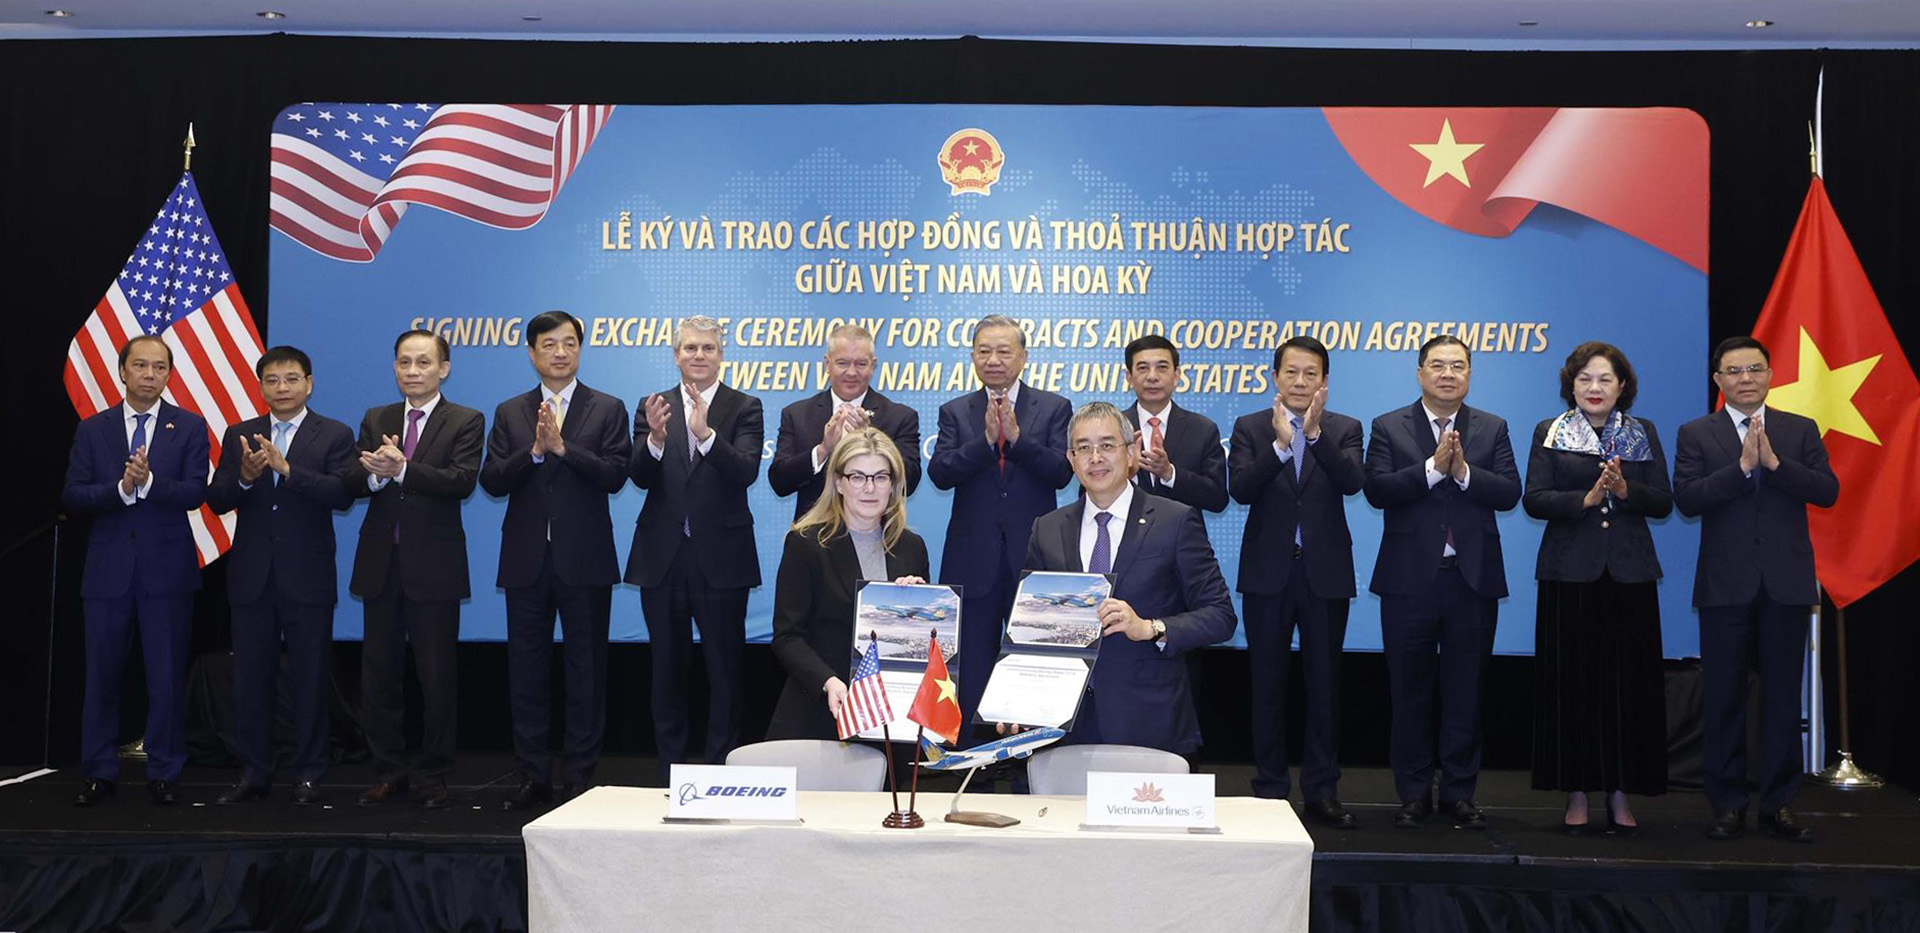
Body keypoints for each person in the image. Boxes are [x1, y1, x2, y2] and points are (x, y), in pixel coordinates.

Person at [1674, 335, 1837, 843]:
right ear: (1718, 380)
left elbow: (1827, 490)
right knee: (1723, 697)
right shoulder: (1696, 433)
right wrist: (1742, 468)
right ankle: (1727, 804)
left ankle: (1778, 804)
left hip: (1785, 583)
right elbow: (1688, 499)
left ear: (1769, 374)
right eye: (1734, 371)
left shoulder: (1799, 428)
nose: (1745, 378)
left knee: (1783, 699)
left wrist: (1776, 465)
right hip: (1725, 584)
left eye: (1754, 369)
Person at [1363, 334, 1521, 830]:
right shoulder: (1388, 425)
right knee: (1408, 692)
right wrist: (1432, 469)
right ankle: (1413, 793)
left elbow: (1509, 492)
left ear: (1469, 374)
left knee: (1465, 692)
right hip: (1409, 582)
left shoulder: (1492, 427)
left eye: (1457, 365)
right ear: (1420, 373)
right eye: (1437, 365)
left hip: (1471, 581)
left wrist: (1465, 472)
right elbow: (1377, 489)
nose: (1447, 373)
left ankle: (1458, 793)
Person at [479, 311, 632, 809]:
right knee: (527, 672)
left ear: (580, 350)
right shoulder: (510, 411)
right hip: (526, 559)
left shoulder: (607, 408)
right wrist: (534, 453)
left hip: (584, 559)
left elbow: (616, 474)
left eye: (569, 343)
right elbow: (492, 479)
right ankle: (534, 775)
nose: (560, 352)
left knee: (587, 671)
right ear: (532, 353)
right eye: (549, 344)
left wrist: (564, 449)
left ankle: (581, 775)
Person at [1020, 402, 1236, 755]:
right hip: (1064, 724)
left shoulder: (1175, 521)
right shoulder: (1047, 528)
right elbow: (1028, 629)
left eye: (1107, 445)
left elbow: (1221, 615)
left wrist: (1150, 628)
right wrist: (1018, 703)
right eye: (1083, 448)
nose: (1095, 458)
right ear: (1071, 459)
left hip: (1148, 720)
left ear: (1132, 452)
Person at [1522, 342, 1671, 835]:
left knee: (1628, 688)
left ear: (1622, 387)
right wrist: (1582, 500)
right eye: (1585, 378)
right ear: (1571, 385)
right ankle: (1577, 792)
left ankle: (1621, 793)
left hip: (1629, 574)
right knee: (1574, 687)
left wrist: (1627, 492)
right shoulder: (1550, 431)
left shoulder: (1641, 432)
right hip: (1569, 573)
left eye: (1605, 379)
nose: (1594, 387)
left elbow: (1663, 501)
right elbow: (1534, 499)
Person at [204, 345, 356, 806]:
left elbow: (342, 494)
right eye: (272, 380)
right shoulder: (240, 434)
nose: (282, 387)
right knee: (251, 679)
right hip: (252, 578)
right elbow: (218, 499)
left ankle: (309, 771)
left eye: (291, 379)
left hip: (307, 577)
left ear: (310, 383)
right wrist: (246, 477)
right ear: (261, 386)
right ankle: (254, 771)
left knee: (309, 678)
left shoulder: (334, 433)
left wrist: (288, 470)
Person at [62, 335, 209, 806]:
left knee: (165, 676)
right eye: (141, 365)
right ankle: (99, 771)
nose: (149, 374)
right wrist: (122, 489)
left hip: (167, 572)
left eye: (159, 367)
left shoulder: (189, 426)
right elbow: (73, 494)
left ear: (169, 374)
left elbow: (195, 492)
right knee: (101, 675)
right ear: (122, 370)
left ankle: (164, 770)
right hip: (107, 572)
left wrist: (150, 482)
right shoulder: (94, 428)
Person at [1228, 336, 1366, 828]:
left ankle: (1322, 790)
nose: (1301, 382)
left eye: (1311, 374)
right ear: (1275, 377)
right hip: (1268, 574)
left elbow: (1353, 482)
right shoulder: (1250, 427)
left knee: (1324, 686)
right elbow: (1240, 488)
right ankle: (1270, 787)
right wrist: (1282, 446)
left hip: (1324, 575)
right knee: (1266, 684)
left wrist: (1314, 437)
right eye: (1292, 372)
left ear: (1324, 382)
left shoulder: (1345, 428)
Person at [348, 329, 485, 809]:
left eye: (423, 362)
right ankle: (388, 770)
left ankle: (433, 773)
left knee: (436, 677)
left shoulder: (465, 420)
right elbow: (352, 480)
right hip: (381, 566)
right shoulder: (377, 418)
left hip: (435, 567)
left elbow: (461, 481)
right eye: (404, 362)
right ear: (394, 367)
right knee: (379, 676)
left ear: (443, 369)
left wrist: (403, 469)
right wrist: (373, 474)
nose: (413, 371)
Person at [625, 315, 764, 775]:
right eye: (690, 348)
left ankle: (721, 768)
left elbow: (745, 471)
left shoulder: (745, 406)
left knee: (725, 670)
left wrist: (706, 435)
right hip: (662, 558)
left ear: (721, 355)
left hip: (722, 559)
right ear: (676, 354)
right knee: (667, 669)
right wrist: (656, 440)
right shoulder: (653, 406)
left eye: (707, 348)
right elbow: (638, 475)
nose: (698, 355)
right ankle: (672, 770)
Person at [928, 314, 1073, 733]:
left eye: (1004, 351)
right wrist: (987, 443)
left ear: (1023, 357)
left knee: (1034, 661)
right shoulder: (956, 411)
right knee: (971, 666)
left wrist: (1019, 440)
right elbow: (940, 473)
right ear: (973, 357)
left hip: (1034, 557)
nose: (994, 360)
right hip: (972, 559)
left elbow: (1060, 473)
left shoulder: (1054, 407)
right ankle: (972, 757)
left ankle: (1031, 756)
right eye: (984, 351)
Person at [767, 428, 931, 739]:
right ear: (839, 483)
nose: (870, 487)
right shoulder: (806, 543)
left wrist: (918, 607)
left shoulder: (912, 547)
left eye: (880, 477)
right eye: (858, 477)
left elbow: (922, 645)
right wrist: (828, 682)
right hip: (822, 710)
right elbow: (787, 636)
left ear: (893, 485)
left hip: (891, 717)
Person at [768, 323, 922, 521]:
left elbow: (909, 483)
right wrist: (822, 450)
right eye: (842, 363)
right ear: (828, 364)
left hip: (878, 533)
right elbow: (779, 483)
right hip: (812, 534)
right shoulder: (797, 414)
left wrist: (871, 440)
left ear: (873, 365)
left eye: (861, 364)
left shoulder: (900, 417)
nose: (851, 372)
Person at [1121, 334, 1227, 513]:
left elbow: (1217, 499)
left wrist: (1170, 474)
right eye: (1143, 368)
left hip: (1184, 530)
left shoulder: (1202, 429)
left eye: (1162, 368)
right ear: (1129, 377)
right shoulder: (1113, 428)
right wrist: (1125, 474)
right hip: (1126, 529)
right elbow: (1087, 494)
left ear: (1176, 375)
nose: (1152, 377)